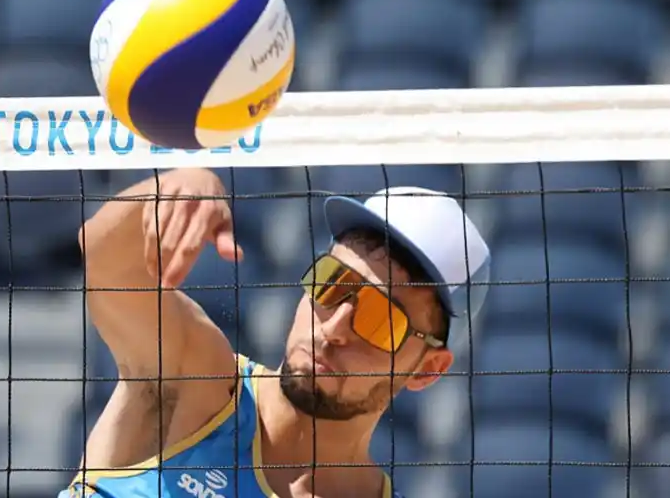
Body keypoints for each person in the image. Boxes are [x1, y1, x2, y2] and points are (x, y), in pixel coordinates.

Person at [60, 168, 490, 498]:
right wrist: (179, 184)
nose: (334, 327)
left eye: (382, 319)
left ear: (428, 370)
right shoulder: (198, 383)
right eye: (332, 283)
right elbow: (106, 262)